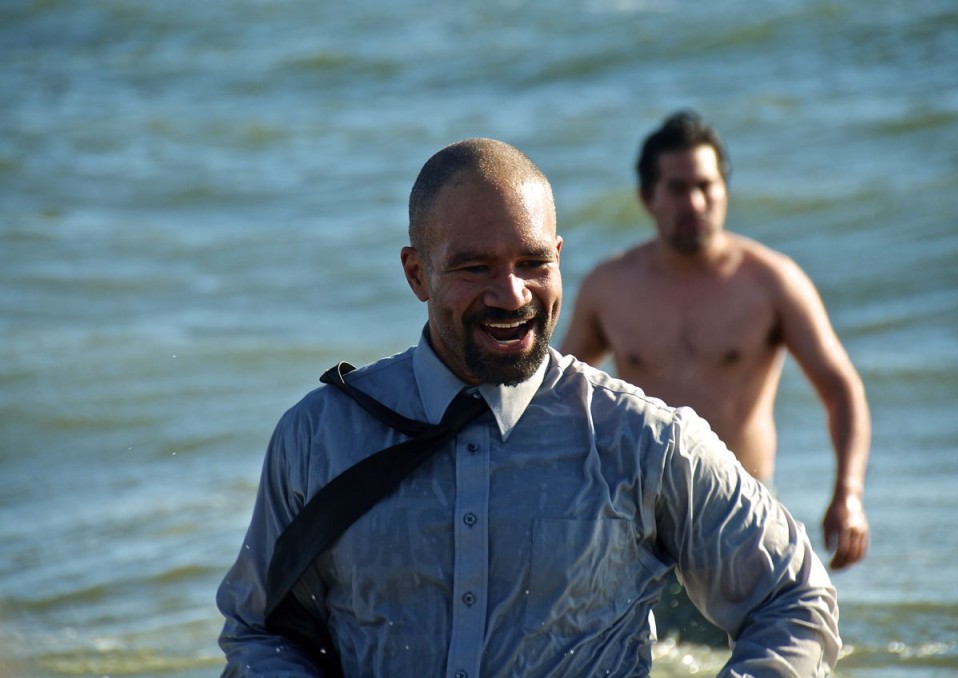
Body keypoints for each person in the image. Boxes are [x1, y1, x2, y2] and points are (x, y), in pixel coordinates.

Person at [216, 137, 841, 676]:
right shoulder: (320, 435)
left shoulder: (643, 441)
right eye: (475, 267)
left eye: (533, 263)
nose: (511, 293)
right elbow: (257, 629)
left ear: (560, 259)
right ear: (416, 275)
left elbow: (794, 600)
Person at [560, 111, 871, 640]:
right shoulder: (610, 287)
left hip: (740, 512)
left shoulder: (770, 282)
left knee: (759, 652)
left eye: (707, 186)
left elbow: (841, 389)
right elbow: (561, 398)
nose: (695, 203)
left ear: (725, 190)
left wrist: (848, 492)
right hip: (638, 517)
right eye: (677, 189)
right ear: (647, 198)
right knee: (644, 658)